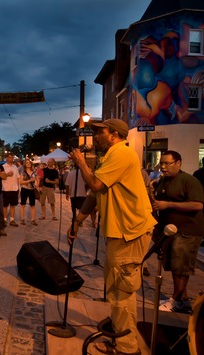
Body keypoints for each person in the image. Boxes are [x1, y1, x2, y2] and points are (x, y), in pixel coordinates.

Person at [69, 119, 157, 355]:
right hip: (121, 232)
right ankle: (122, 332)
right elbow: (95, 195)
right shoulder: (110, 156)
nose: (96, 136)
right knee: (117, 289)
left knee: (121, 292)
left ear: (114, 135)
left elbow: (96, 184)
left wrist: (81, 164)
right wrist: (77, 222)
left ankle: (126, 348)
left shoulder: (121, 154)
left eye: (100, 132)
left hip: (130, 232)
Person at [151, 150, 204, 314]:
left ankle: (175, 300)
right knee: (175, 266)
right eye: (162, 164)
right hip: (170, 230)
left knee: (182, 268)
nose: (164, 167)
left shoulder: (189, 181)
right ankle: (183, 300)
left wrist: (168, 205)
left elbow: (198, 205)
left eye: (168, 163)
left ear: (178, 163)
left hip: (187, 230)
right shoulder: (163, 180)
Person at [2, 152, 20, 227]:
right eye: (9, 157)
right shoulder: (3, 167)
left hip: (14, 188)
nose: (11, 159)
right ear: (6, 158)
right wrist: (7, 174)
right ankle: (5, 219)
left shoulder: (15, 167)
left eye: (12, 157)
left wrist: (18, 188)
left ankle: (12, 219)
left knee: (13, 205)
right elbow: (1, 176)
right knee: (5, 205)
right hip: (5, 188)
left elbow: (18, 177)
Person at [19, 159, 39, 226]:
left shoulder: (34, 172)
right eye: (27, 163)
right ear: (25, 164)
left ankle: (33, 220)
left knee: (32, 205)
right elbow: (21, 182)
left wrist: (37, 184)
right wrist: (29, 180)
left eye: (29, 163)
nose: (28, 164)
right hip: (25, 189)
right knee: (23, 205)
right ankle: (22, 219)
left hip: (32, 189)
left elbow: (37, 179)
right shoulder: (23, 172)